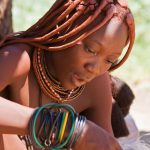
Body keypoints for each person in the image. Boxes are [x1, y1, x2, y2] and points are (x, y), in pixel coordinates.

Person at [0, 0, 135, 149]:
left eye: (110, 60)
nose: (95, 68)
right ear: (63, 29)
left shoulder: (96, 82)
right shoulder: (17, 60)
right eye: (90, 50)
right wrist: (67, 129)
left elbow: (104, 144)